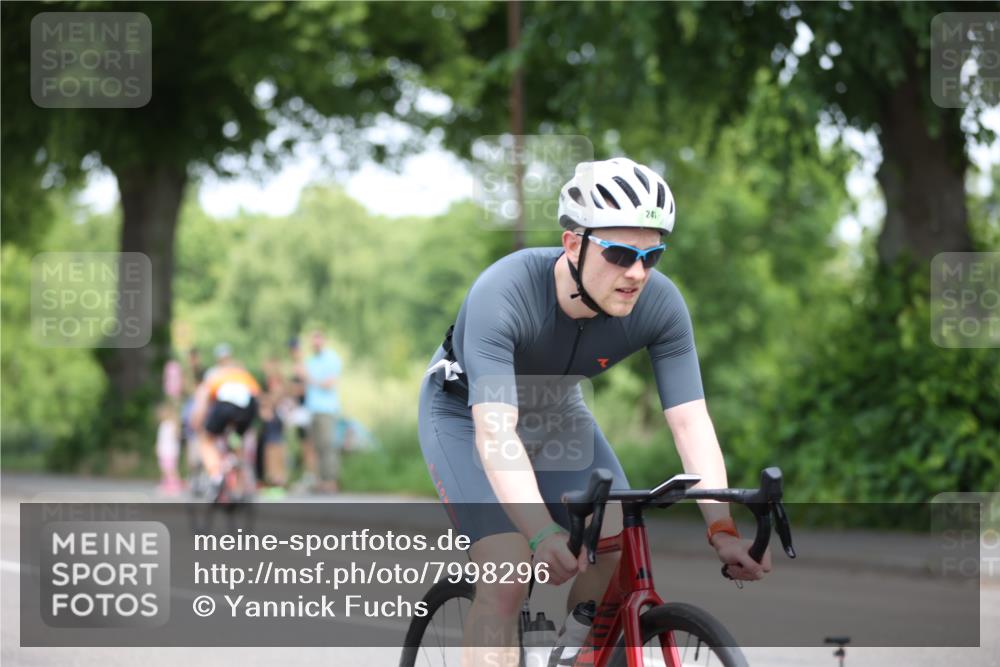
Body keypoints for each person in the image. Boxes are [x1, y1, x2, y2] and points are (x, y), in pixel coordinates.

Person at [418, 157, 773, 666]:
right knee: (508, 571)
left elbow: (691, 423)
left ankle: (573, 652)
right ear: (572, 244)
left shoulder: (662, 305)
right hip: (463, 414)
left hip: (558, 411)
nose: (636, 273)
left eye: (651, 257)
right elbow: (495, 434)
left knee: (615, 548)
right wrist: (541, 532)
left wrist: (722, 528)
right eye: (620, 254)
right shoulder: (504, 292)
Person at [190, 344, 262, 491]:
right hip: (248, 407)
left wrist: (196, 421)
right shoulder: (242, 373)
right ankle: (237, 477)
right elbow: (257, 397)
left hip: (226, 404)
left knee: (206, 439)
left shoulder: (215, 374)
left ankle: (216, 476)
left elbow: (203, 399)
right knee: (236, 439)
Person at [297, 331, 343, 494]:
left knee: (327, 445)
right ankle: (321, 481)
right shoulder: (310, 361)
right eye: (313, 340)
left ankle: (331, 481)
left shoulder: (332, 358)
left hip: (326, 409)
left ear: (323, 340)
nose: (315, 343)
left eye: (318, 340)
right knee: (315, 447)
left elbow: (328, 384)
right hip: (312, 409)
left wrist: (308, 378)